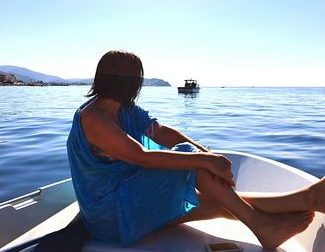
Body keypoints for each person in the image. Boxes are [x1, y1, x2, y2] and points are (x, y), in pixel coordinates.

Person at [67, 50, 325, 250]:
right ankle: (263, 225)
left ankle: (306, 199)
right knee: (194, 164)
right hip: (110, 217)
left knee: (215, 201)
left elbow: (162, 132)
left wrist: (207, 155)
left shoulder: (124, 112)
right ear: (129, 82)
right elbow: (141, 156)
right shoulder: (93, 118)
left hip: (129, 199)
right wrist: (204, 160)